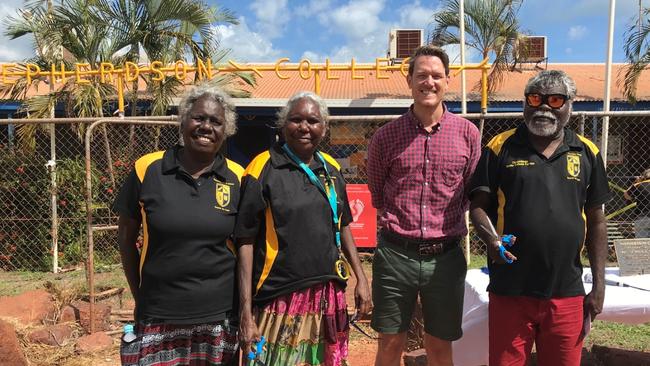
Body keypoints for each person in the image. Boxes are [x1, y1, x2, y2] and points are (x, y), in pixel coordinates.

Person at [469, 70, 611, 366]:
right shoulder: (500, 147)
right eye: (535, 98)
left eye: (555, 99)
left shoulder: (586, 151)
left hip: (566, 291)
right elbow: (478, 205)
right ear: (525, 103)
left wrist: (599, 286)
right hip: (511, 288)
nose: (543, 107)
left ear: (569, 105)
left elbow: (597, 218)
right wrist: (492, 241)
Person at [235, 91, 372, 366]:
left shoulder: (330, 168)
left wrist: (361, 277)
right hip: (280, 297)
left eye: (313, 120)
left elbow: (343, 224)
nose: (304, 127)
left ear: (324, 127)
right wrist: (246, 311)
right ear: (284, 124)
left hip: (328, 292)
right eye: (296, 119)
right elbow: (245, 240)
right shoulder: (262, 167)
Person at [366, 45, 481, 366]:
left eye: (436, 76)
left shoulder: (468, 134)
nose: (428, 82)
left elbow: (471, 192)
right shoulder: (386, 137)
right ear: (409, 81)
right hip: (395, 256)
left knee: (440, 346)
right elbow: (378, 194)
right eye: (421, 75)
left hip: (445, 258)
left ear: (448, 81)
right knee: (390, 342)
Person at [113, 84, 243, 366]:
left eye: (216, 121)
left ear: (226, 130)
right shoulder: (147, 169)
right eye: (198, 118)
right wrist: (140, 296)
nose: (206, 126)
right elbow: (125, 238)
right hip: (159, 313)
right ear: (183, 121)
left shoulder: (238, 178)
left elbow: (246, 245)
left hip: (219, 316)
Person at [624, 168, 650, 238]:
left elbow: (627, 196)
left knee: (642, 243)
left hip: (642, 217)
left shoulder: (639, 185)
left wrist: (636, 182)